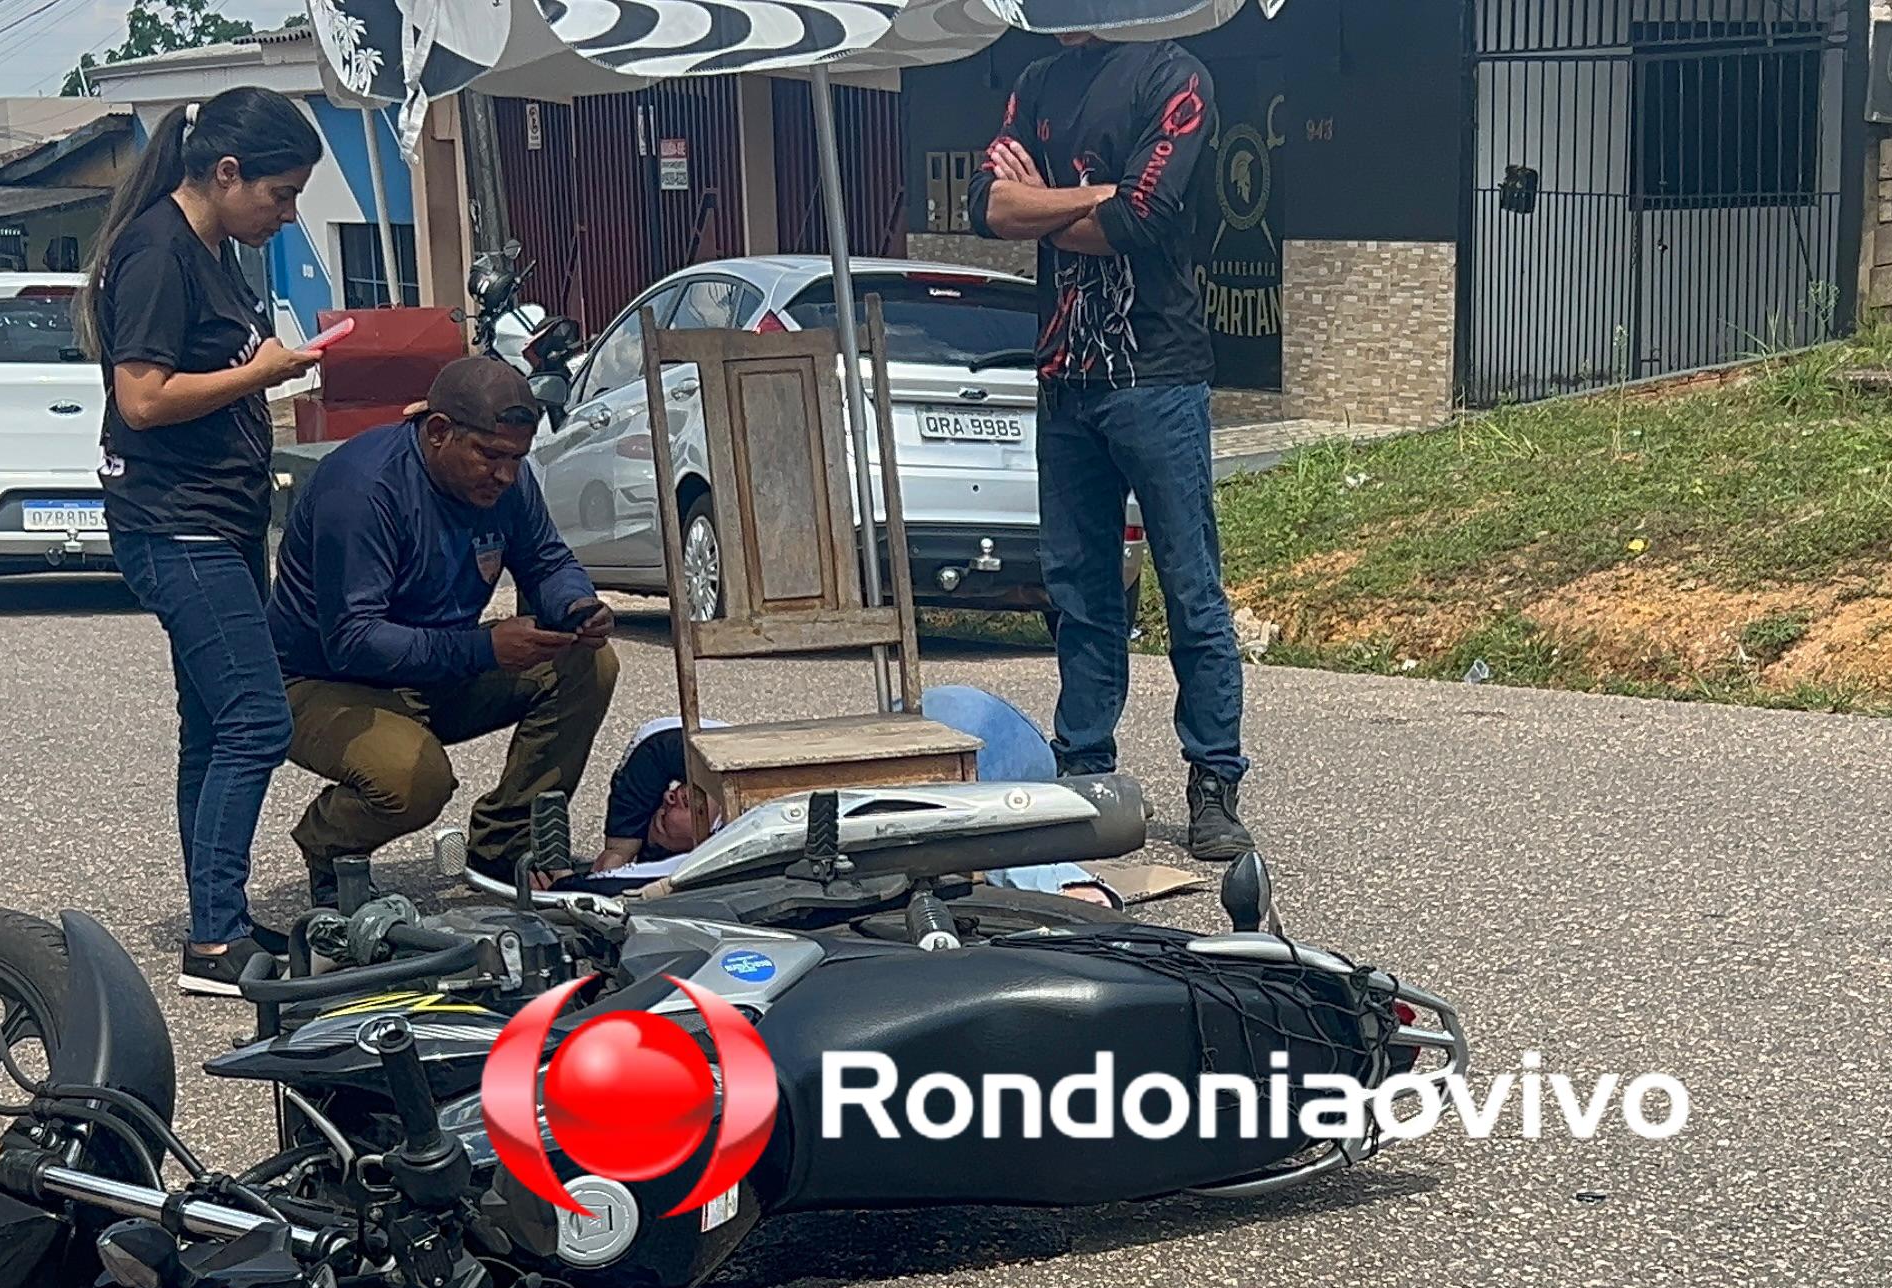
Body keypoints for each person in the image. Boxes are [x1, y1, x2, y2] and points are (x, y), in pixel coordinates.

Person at [972, 29, 1254, 863]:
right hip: (1065, 377)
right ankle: (1085, 772)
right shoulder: (1037, 80)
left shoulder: (1175, 74)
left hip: (1157, 374)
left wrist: (1050, 204)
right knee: (1079, 592)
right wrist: (1093, 197)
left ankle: (1214, 782)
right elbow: (986, 209)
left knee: (1189, 586)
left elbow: (1144, 217)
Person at [88, 86, 329, 995]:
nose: (287, 212)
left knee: (212, 726)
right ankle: (215, 941)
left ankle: (213, 919)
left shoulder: (210, 251)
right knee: (259, 722)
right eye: (279, 194)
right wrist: (262, 372)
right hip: (174, 523)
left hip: (219, 521)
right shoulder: (157, 252)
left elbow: (204, 380)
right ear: (225, 173)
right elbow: (142, 399)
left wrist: (269, 377)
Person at [266, 353, 616, 904]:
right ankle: (330, 846)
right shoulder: (362, 491)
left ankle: (504, 846)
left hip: (432, 667)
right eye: (490, 456)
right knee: (413, 779)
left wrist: (577, 607)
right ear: (437, 431)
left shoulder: (506, 483)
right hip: (320, 680)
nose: (504, 474)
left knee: (587, 663)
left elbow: (546, 561)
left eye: (517, 459)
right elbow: (354, 640)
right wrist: (484, 649)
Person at [588, 686, 1114, 905]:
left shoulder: (722, 761)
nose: (675, 795)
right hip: (996, 743)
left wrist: (621, 843)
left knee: (945, 813)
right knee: (945, 819)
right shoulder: (729, 850)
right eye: (663, 816)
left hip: (946, 712)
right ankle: (1069, 880)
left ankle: (1064, 874)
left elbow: (660, 740)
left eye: (669, 790)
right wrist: (608, 873)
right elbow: (639, 889)